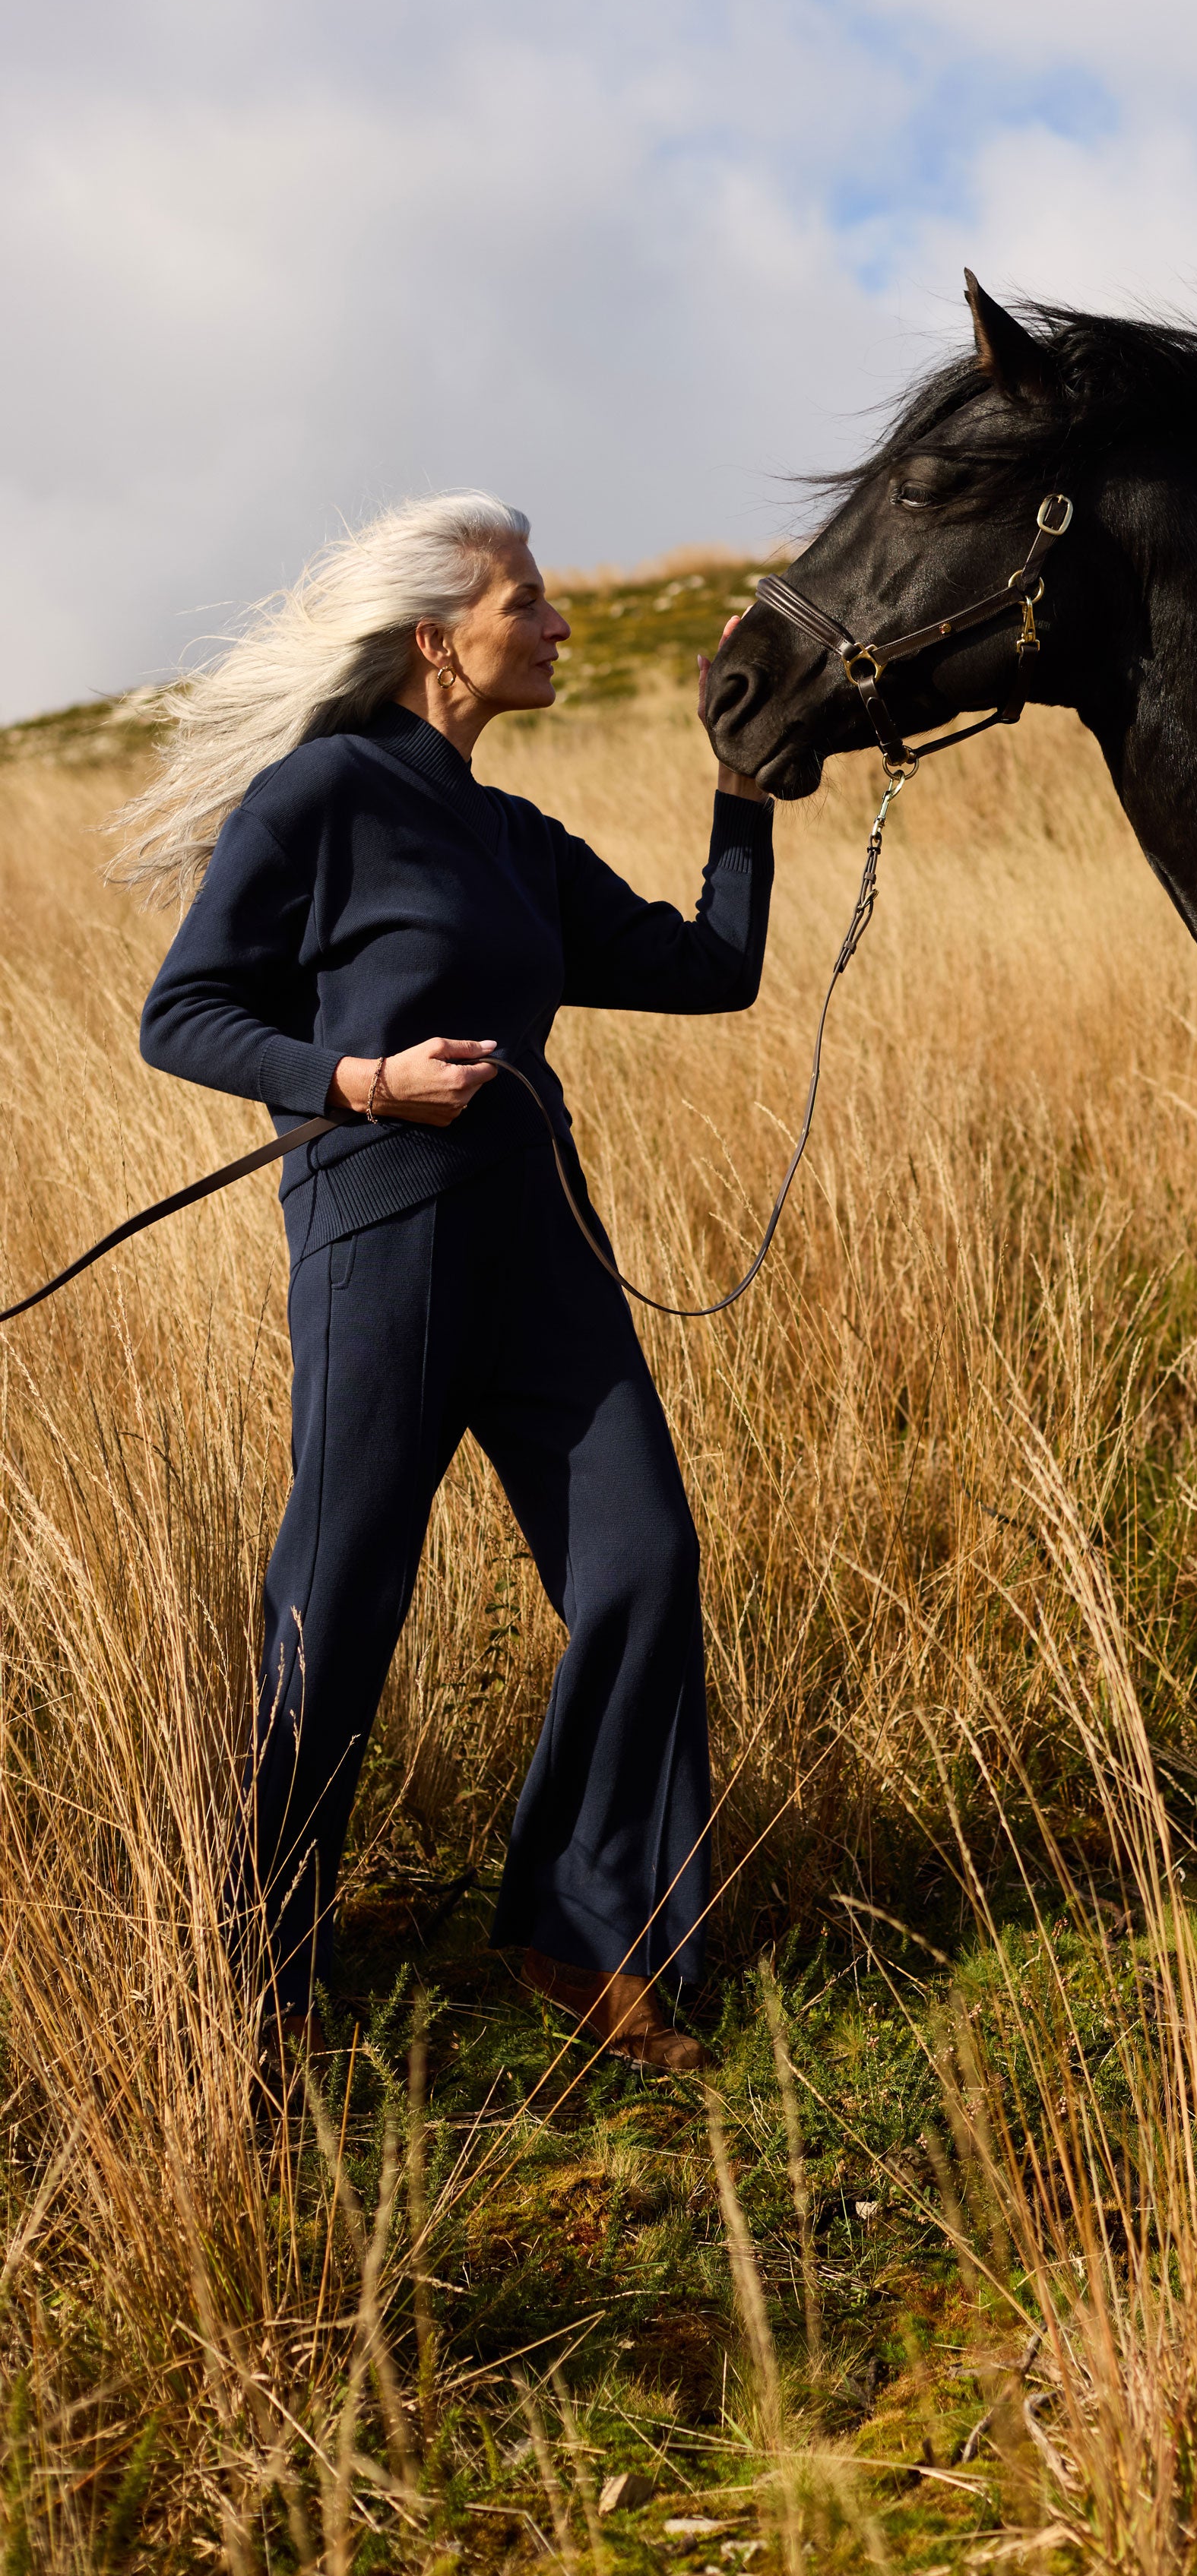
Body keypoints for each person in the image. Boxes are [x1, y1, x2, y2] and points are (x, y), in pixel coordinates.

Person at [120, 492, 772, 2072]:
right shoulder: (322, 797)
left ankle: (584, 1931)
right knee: (339, 1607)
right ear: (439, 639)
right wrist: (352, 1077)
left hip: (542, 1250)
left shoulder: (511, 834)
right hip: (383, 1245)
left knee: (645, 1562)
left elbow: (711, 968)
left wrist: (746, 790)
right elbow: (183, 1010)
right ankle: (255, 1986)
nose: (559, 624)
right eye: (527, 602)